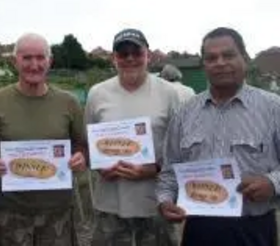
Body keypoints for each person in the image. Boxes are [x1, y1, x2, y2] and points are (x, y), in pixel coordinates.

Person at [157, 27, 280, 246]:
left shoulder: (273, 108)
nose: (220, 62)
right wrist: (165, 200)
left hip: (253, 229)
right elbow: (169, 170)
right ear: (204, 64)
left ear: (245, 58)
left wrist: (272, 183)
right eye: (211, 58)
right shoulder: (185, 113)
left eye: (229, 55)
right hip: (199, 229)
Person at [0, 33, 87, 246]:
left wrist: (81, 157)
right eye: (27, 58)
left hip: (58, 214)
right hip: (10, 214)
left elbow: (82, 146)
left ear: (50, 61)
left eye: (40, 57)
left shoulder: (69, 103)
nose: (34, 65)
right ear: (15, 61)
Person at [85, 28, 180, 246]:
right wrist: (99, 166)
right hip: (110, 203)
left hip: (156, 203)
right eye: (122, 53)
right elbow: (89, 145)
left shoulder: (169, 93)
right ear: (113, 58)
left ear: (148, 55)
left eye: (136, 52)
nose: (129, 58)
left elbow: (179, 149)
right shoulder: (97, 93)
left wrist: (152, 169)